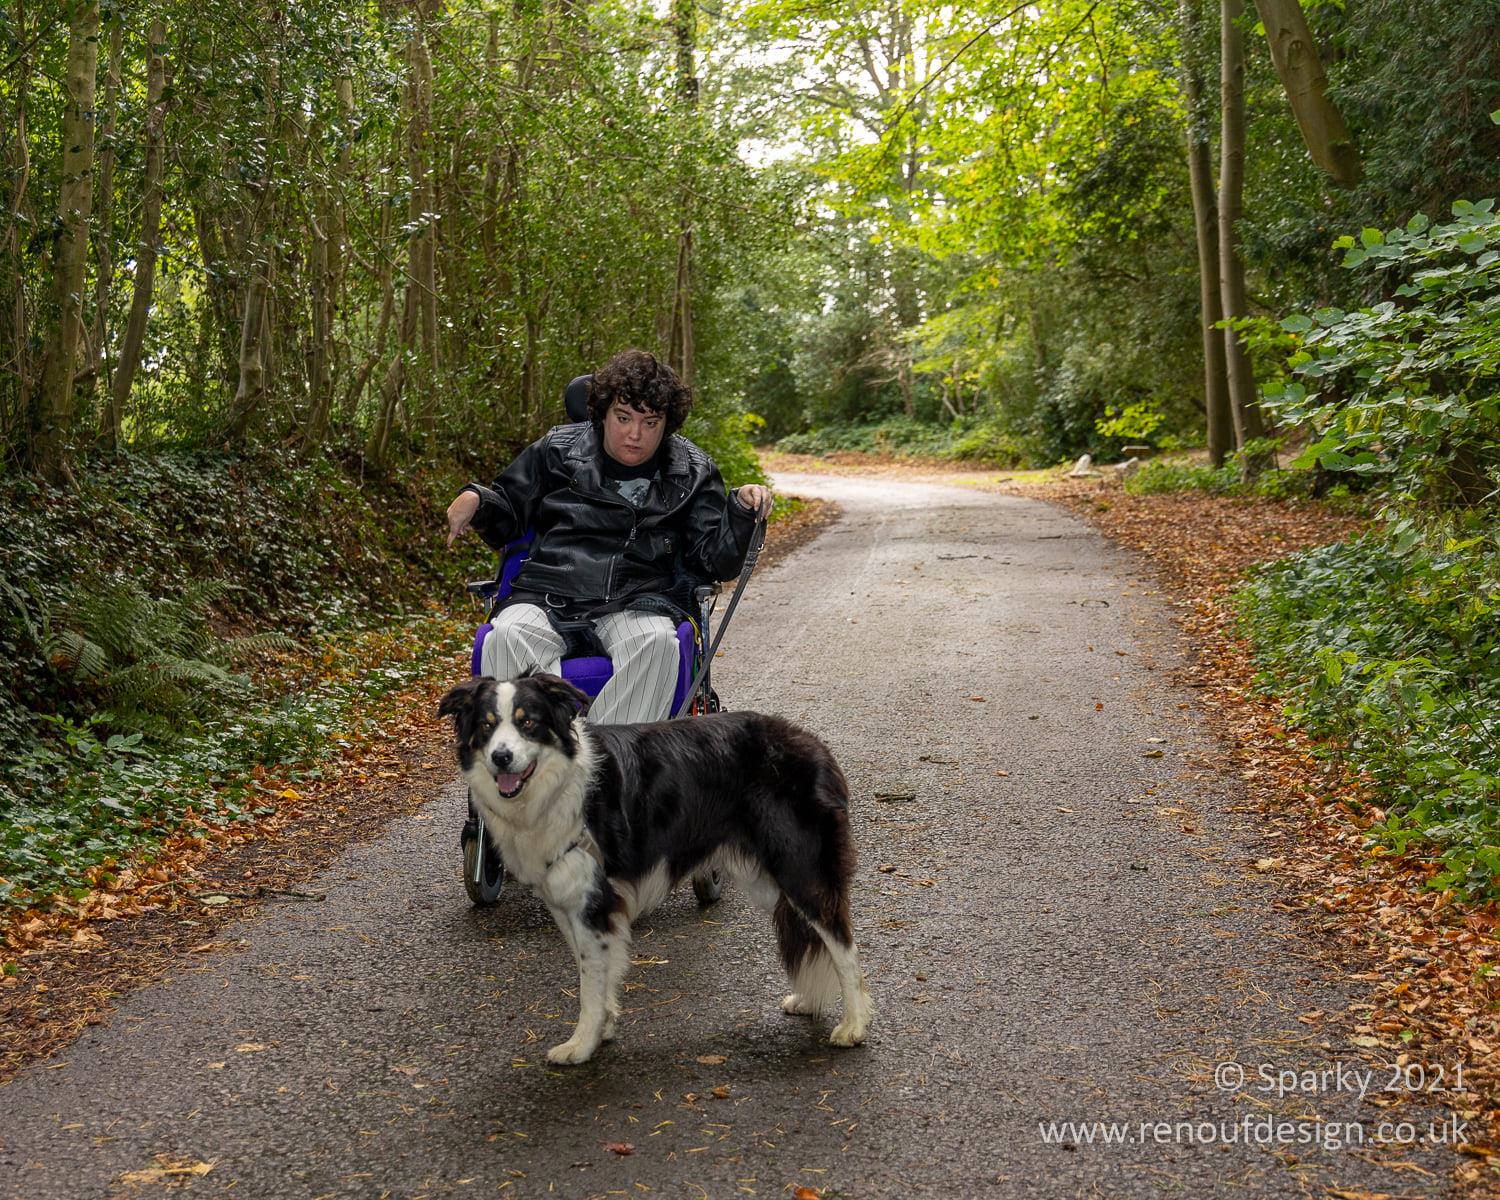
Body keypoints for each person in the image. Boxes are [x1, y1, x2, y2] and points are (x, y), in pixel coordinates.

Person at [445, 348, 772, 724]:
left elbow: (713, 560)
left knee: (660, 643)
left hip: (639, 599)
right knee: (504, 638)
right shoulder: (556, 449)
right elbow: (508, 511)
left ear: (668, 423)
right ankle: (540, 763)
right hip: (547, 594)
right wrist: (477, 499)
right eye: (623, 418)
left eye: (651, 422)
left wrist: (741, 512)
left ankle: (603, 765)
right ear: (602, 413)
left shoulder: (693, 470)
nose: (635, 435)